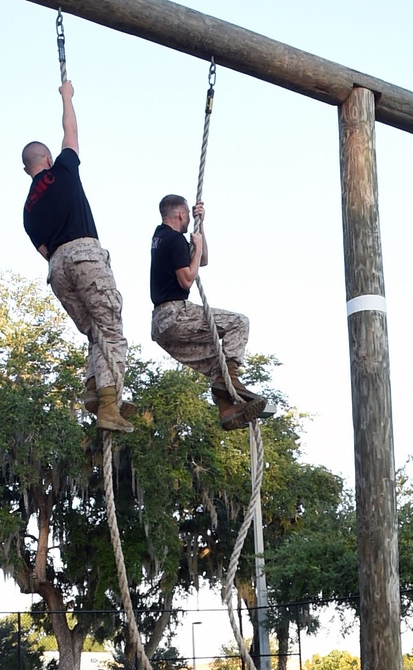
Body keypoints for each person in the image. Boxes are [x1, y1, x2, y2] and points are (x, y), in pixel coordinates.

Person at [22, 80, 132, 434]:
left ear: (27, 168)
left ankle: (93, 389)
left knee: (94, 332)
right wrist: (67, 97)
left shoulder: (27, 209)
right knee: (111, 330)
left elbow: (44, 253)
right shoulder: (64, 170)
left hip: (57, 268)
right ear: (47, 159)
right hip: (83, 253)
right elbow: (70, 129)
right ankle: (109, 406)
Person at [150, 195, 266, 430]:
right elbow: (187, 280)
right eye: (186, 217)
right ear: (181, 214)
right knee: (238, 323)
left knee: (217, 361)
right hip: (175, 314)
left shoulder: (160, 237)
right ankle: (230, 379)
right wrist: (198, 245)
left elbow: (201, 260)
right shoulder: (173, 239)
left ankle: (227, 409)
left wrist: (201, 225)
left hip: (161, 327)